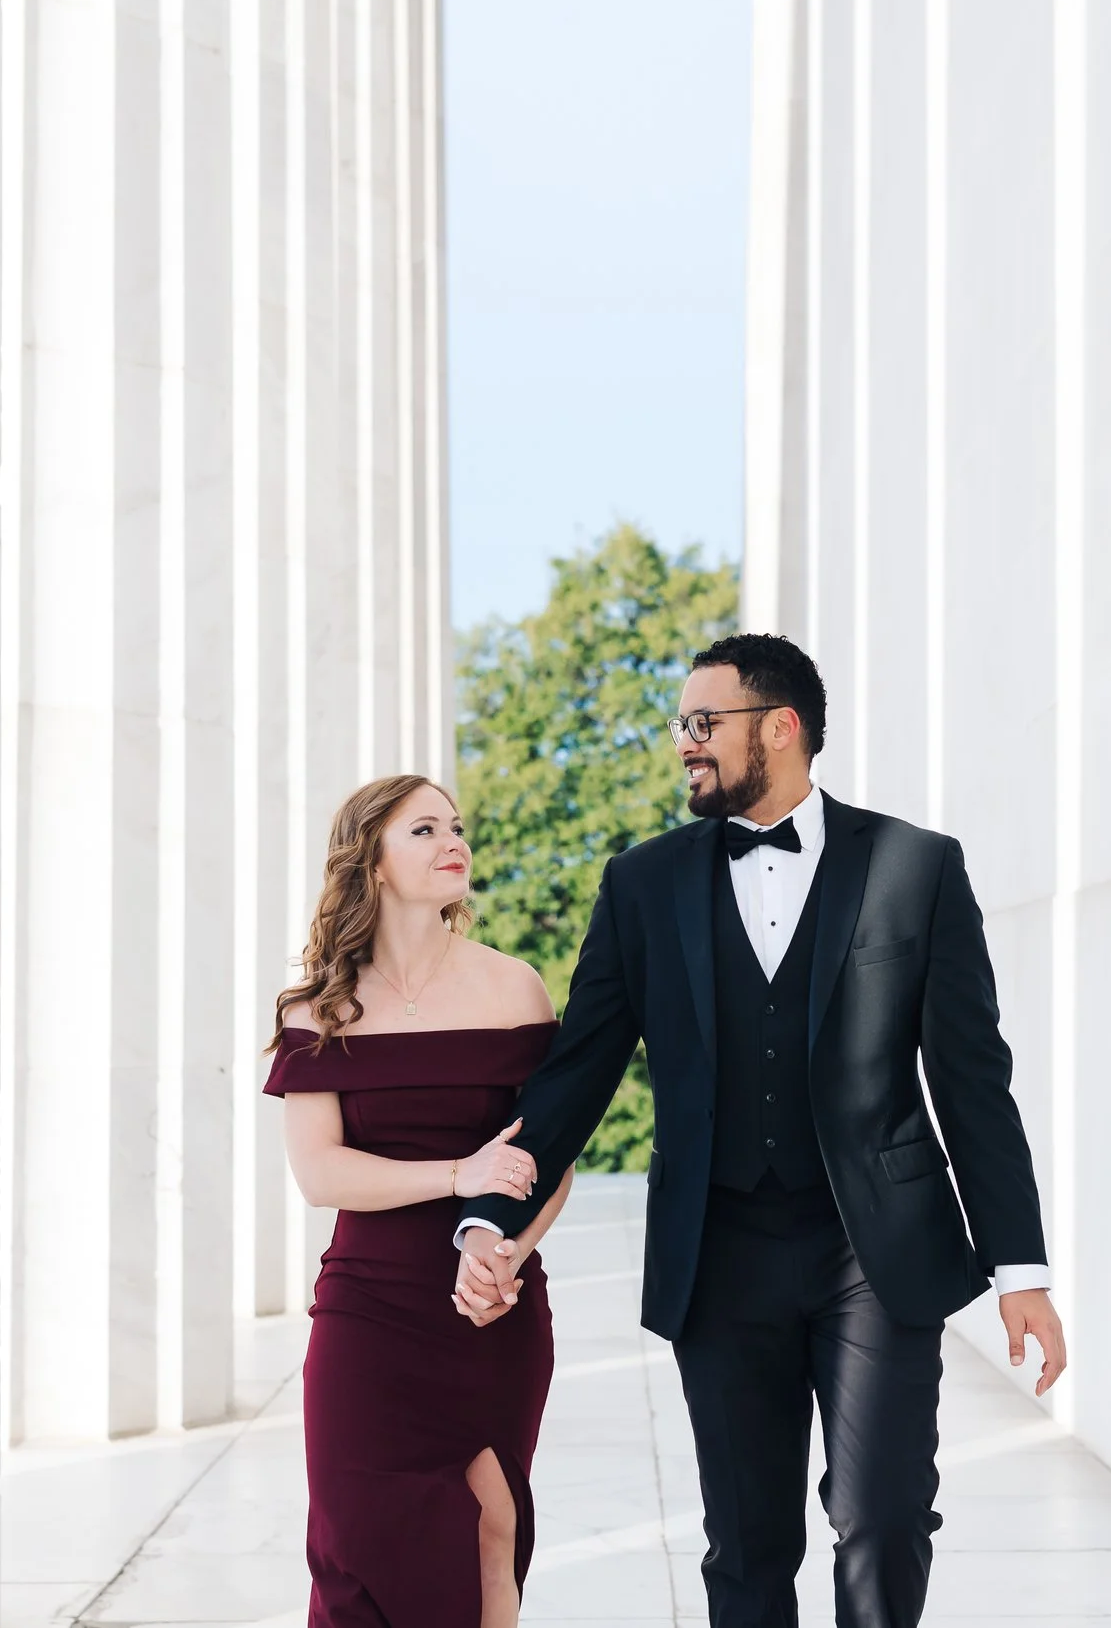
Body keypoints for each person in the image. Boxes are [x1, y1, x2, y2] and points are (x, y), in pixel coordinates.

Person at [451, 632, 1066, 1627]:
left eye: (704, 722)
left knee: (883, 1515)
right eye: (680, 725)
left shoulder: (917, 866)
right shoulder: (640, 883)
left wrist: (1020, 1268)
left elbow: (971, 1080)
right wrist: (486, 1212)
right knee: (746, 1538)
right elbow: (577, 1075)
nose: (684, 743)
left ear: (780, 728)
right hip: (721, 1248)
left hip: (878, 1248)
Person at [265, 774, 564, 1628]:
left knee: (490, 1532)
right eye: (425, 829)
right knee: (359, 1548)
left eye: (458, 826)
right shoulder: (315, 1008)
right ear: (375, 862)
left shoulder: (515, 989)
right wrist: (455, 1175)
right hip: (368, 1310)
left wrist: (505, 1251)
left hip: (489, 1307)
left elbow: (552, 1157)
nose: (454, 841)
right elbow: (320, 1174)